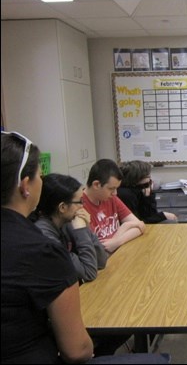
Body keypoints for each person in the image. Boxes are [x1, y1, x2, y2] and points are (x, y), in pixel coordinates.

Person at [1, 132, 172, 364]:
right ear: (25, 186)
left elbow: (100, 259)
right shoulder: (42, 246)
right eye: (40, 175)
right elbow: (77, 350)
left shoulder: (45, 230)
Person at [34, 173, 108, 283]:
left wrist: (86, 228)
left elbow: (101, 261)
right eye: (80, 202)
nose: (83, 206)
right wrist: (81, 231)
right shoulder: (45, 236)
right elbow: (89, 273)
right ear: (62, 207)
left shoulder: (66, 221)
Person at [82, 159, 145, 254]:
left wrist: (117, 241)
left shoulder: (110, 197)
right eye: (111, 189)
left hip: (118, 252)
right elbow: (98, 250)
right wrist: (125, 229)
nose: (115, 193)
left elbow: (140, 225)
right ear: (96, 185)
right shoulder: (79, 207)